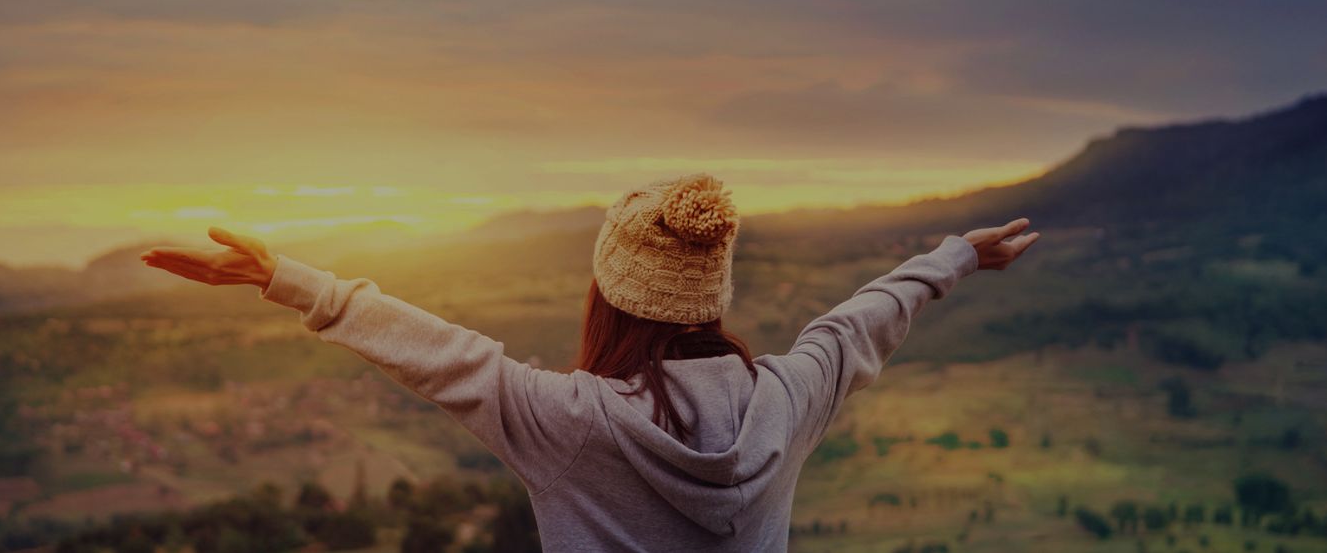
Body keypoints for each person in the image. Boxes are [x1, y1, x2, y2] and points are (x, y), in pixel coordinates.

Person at [140, 172, 1039, 551]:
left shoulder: (568, 422)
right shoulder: (787, 398)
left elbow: (437, 351)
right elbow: (857, 321)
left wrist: (287, 279)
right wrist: (958, 254)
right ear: (711, 297)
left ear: (606, 296)